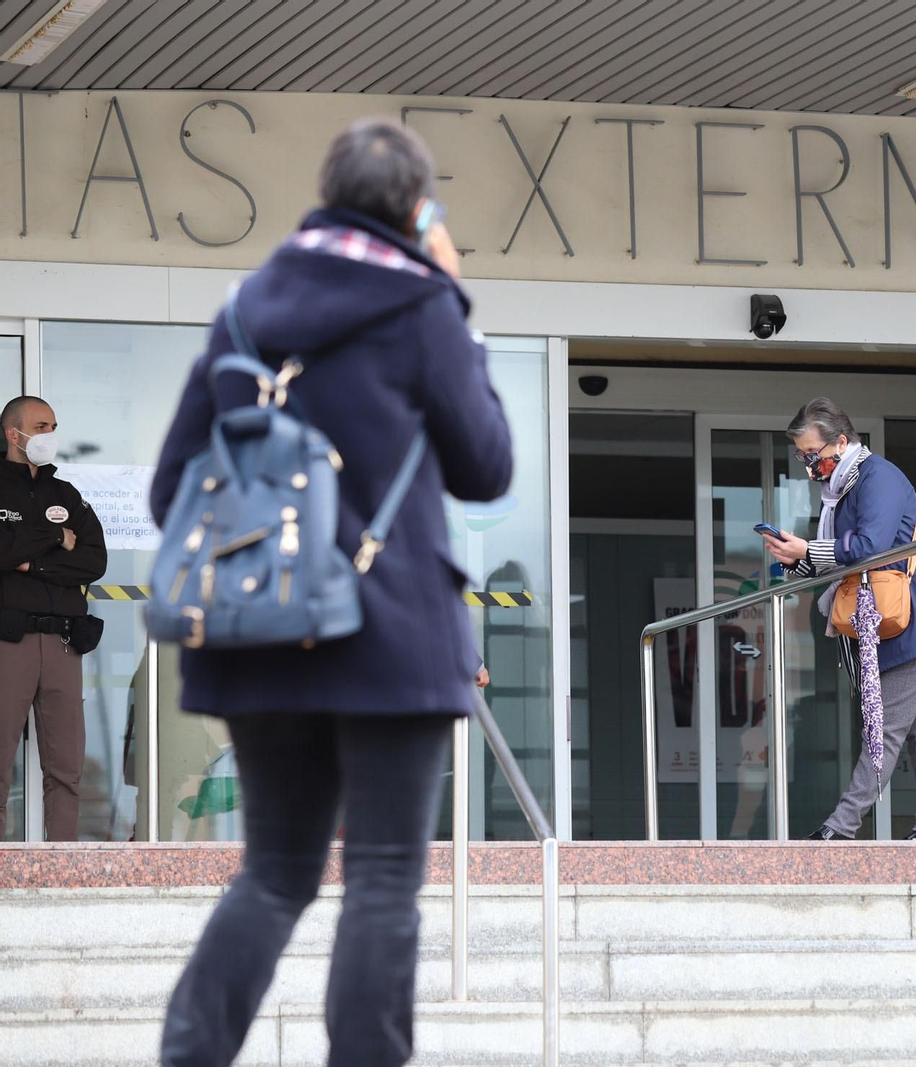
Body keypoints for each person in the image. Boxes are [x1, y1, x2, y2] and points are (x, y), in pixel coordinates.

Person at [151, 120, 512, 1067]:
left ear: (326, 192)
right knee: (385, 878)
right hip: (389, 634)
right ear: (416, 207)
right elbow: (486, 466)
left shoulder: (241, 314)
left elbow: (169, 491)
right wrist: (458, 302)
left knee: (273, 874)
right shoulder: (425, 307)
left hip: (260, 631)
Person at [762, 398, 916, 840]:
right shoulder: (840, 489)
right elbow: (839, 559)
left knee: (885, 726)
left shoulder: (879, 477)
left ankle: (843, 825)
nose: (809, 465)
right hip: (886, 620)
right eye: (802, 457)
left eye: (813, 455)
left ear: (842, 442)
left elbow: (870, 546)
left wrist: (808, 550)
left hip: (912, 616)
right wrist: (794, 557)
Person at [0, 395, 108, 841]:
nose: (50, 435)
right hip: (10, 643)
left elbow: (94, 560)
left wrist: (31, 561)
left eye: (53, 426)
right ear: (14, 433)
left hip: (63, 644)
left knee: (66, 767)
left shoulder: (65, 494)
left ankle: (62, 867)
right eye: (41, 427)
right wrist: (53, 536)